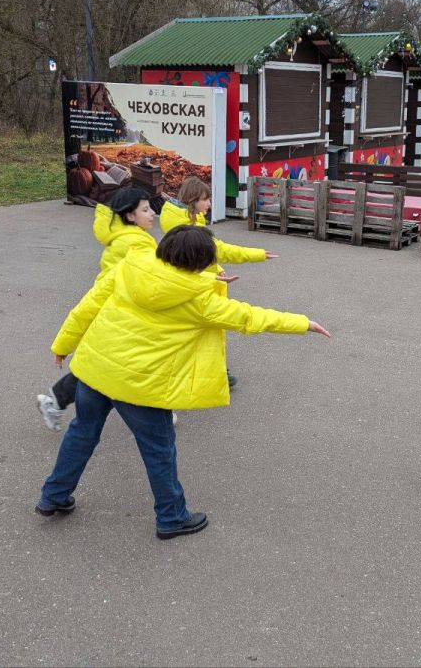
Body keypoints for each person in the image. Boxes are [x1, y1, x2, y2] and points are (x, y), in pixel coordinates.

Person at [36, 225, 330, 540]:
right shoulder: (200, 303)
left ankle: (53, 496)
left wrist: (62, 344)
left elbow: (89, 304)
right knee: (158, 449)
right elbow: (250, 318)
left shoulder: (131, 265)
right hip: (139, 387)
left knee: (82, 433)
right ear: (199, 264)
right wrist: (304, 323)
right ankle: (172, 516)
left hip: (94, 370)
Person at [36, 187, 158, 431]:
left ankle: (56, 399)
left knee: (104, 366)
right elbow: (156, 275)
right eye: (145, 210)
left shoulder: (129, 238)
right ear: (130, 216)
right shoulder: (135, 244)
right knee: (108, 367)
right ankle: (155, 410)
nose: (152, 213)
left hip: (121, 311)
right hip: (121, 313)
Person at [160, 176, 278, 387]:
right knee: (203, 331)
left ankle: (215, 371)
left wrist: (217, 271)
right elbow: (217, 250)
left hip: (198, 283)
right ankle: (206, 373)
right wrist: (257, 254)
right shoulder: (187, 228)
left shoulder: (188, 221)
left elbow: (205, 256)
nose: (209, 204)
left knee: (203, 332)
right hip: (195, 288)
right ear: (194, 199)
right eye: (206, 199)